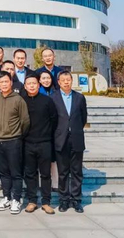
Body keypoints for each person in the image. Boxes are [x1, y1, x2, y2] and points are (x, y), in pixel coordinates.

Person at [0, 71, 30, 215]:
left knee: (15, 172)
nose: (4, 84)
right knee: (4, 172)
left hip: (14, 141)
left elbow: (25, 121)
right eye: (1, 82)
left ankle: (16, 199)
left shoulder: (18, 99)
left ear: (11, 83)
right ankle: (6, 197)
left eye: (6, 81)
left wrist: (18, 134)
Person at [52, 70, 88, 213]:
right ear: (59, 82)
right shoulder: (53, 97)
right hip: (60, 139)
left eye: (68, 80)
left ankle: (76, 200)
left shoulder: (79, 97)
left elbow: (83, 117)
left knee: (77, 171)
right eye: (63, 80)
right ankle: (64, 200)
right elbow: (52, 119)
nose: (66, 82)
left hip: (76, 139)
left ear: (72, 81)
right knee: (63, 172)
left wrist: (75, 128)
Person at [22, 74, 57, 214]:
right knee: (30, 174)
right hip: (27, 143)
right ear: (25, 86)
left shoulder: (47, 101)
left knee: (45, 174)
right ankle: (32, 201)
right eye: (29, 84)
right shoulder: (22, 101)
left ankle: (46, 202)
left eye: (34, 83)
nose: (31, 86)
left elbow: (54, 120)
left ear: (39, 85)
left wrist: (47, 135)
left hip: (44, 143)